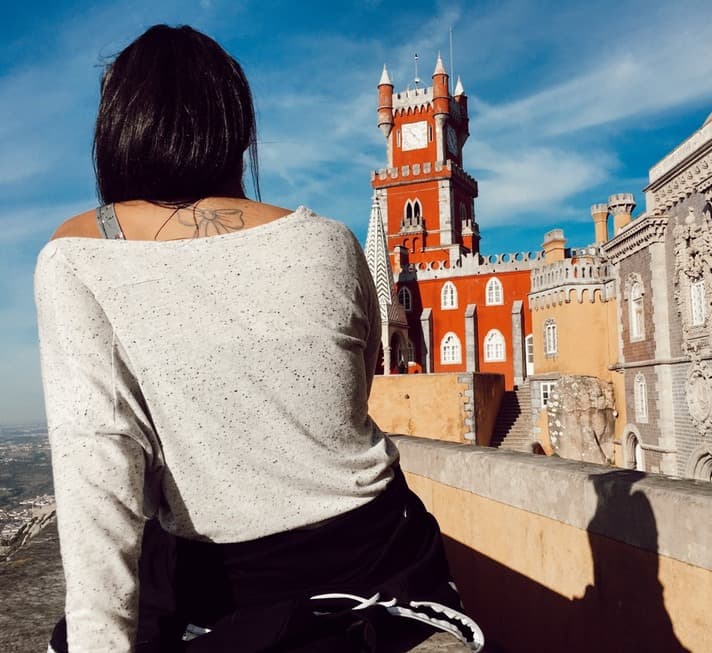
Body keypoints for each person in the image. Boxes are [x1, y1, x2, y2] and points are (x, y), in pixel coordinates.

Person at [35, 25, 482, 653]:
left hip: (228, 586)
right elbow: (357, 388)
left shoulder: (74, 255)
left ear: (116, 129)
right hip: (390, 562)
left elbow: (97, 466)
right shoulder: (331, 238)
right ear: (238, 130)